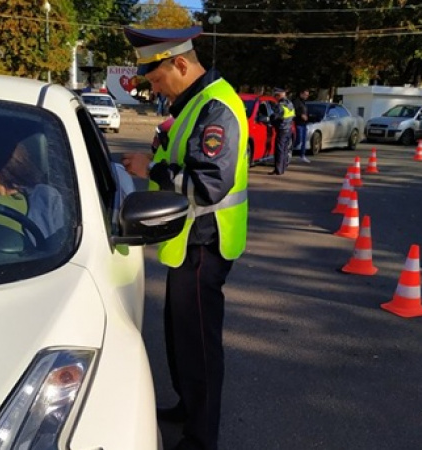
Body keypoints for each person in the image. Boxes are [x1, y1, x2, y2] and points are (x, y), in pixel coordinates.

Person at [120, 26, 248, 450]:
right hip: (187, 240)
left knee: (200, 346)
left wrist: (150, 170)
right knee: (180, 335)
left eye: (157, 80)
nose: (155, 89)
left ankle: (201, 437)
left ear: (180, 63)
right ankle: (187, 404)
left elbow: (208, 185)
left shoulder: (217, 107)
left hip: (205, 243)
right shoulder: (191, 102)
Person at [270, 87, 295, 175]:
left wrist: (271, 121)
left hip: (282, 129)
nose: (275, 98)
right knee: (284, 150)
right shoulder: (290, 103)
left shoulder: (280, 105)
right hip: (289, 129)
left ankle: (278, 170)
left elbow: (275, 117)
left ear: (278, 95)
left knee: (279, 150)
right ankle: (283, 169)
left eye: (275, 96)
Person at [292, 89, 311, 163]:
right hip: (298, 123)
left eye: (307, 95)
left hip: (304, 124)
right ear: (301, 94)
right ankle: (289, 151)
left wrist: (307, 117)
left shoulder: (304, 102)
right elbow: (294, 111)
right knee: (298, 140)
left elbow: (305, 111)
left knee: (304, 140)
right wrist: (300, 115)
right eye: (305, 94)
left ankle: (302, 155)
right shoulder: (296, 102)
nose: (306, 96)